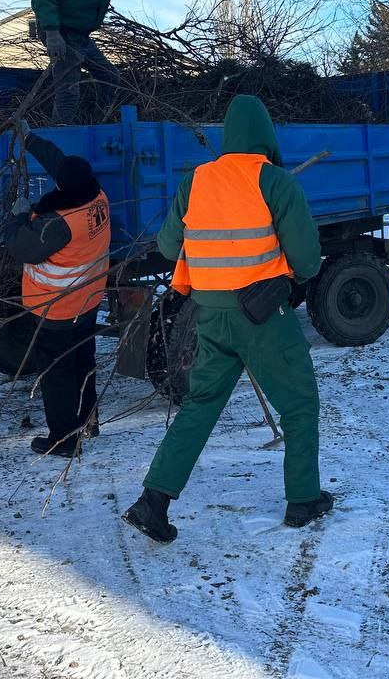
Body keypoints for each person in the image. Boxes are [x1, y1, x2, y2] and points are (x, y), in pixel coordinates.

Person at [123, 95, 329, 544]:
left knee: (200, 406)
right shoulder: (274, 181)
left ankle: (153, 502)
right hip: (262, 316)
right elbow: (309, 260)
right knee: (298, 405)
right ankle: (303, 498)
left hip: (209, 313)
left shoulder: (196, 181)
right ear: (266, 135)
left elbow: (167, 244)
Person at [1, 121, 110, 458]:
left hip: (57, 309)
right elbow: (62, 164)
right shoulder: (97, 197)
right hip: (87, 302)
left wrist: (19, 217)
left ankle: (63, 441)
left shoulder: (59, 224)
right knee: (83, 362)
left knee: (57, 373)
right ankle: (88, 421)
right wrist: (31, 138)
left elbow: (21, 246)